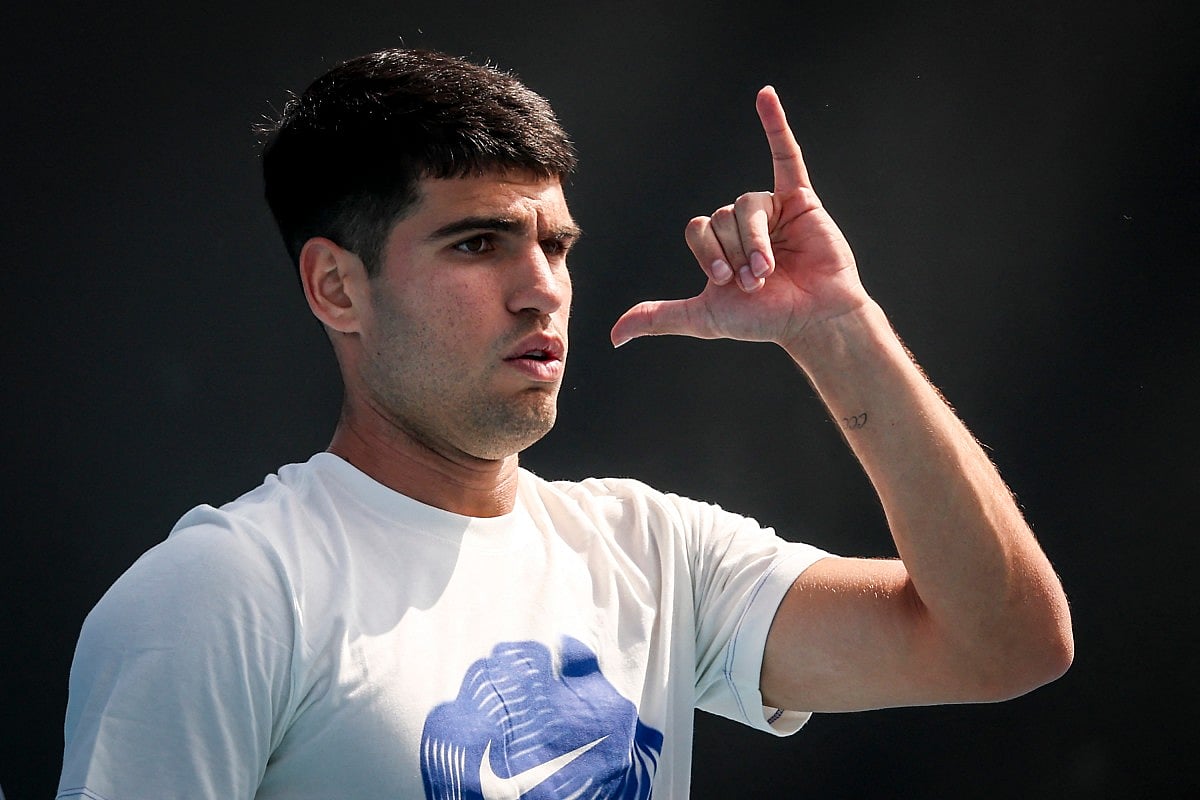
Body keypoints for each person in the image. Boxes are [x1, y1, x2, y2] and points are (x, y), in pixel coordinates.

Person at [57, 48, 1072, 799]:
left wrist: (843, 331)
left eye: (556, 243)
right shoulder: (222, 594)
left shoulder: (655, 550)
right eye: (478, 242)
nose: (541, 288)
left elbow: (1004, 643)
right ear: (336, 287)